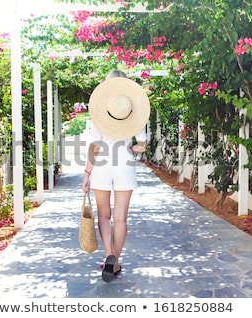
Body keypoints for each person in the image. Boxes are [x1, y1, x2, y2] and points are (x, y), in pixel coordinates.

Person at [82, 69, 150, 282]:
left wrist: (87, 173)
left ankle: (108, 255)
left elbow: (94, 146)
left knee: (104, 215)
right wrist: (130, 150)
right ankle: (116, 263)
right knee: (120, 217)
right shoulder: (133, 112)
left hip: (102, 164)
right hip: (124, 164)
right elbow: (142, 145)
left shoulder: (99, 113)